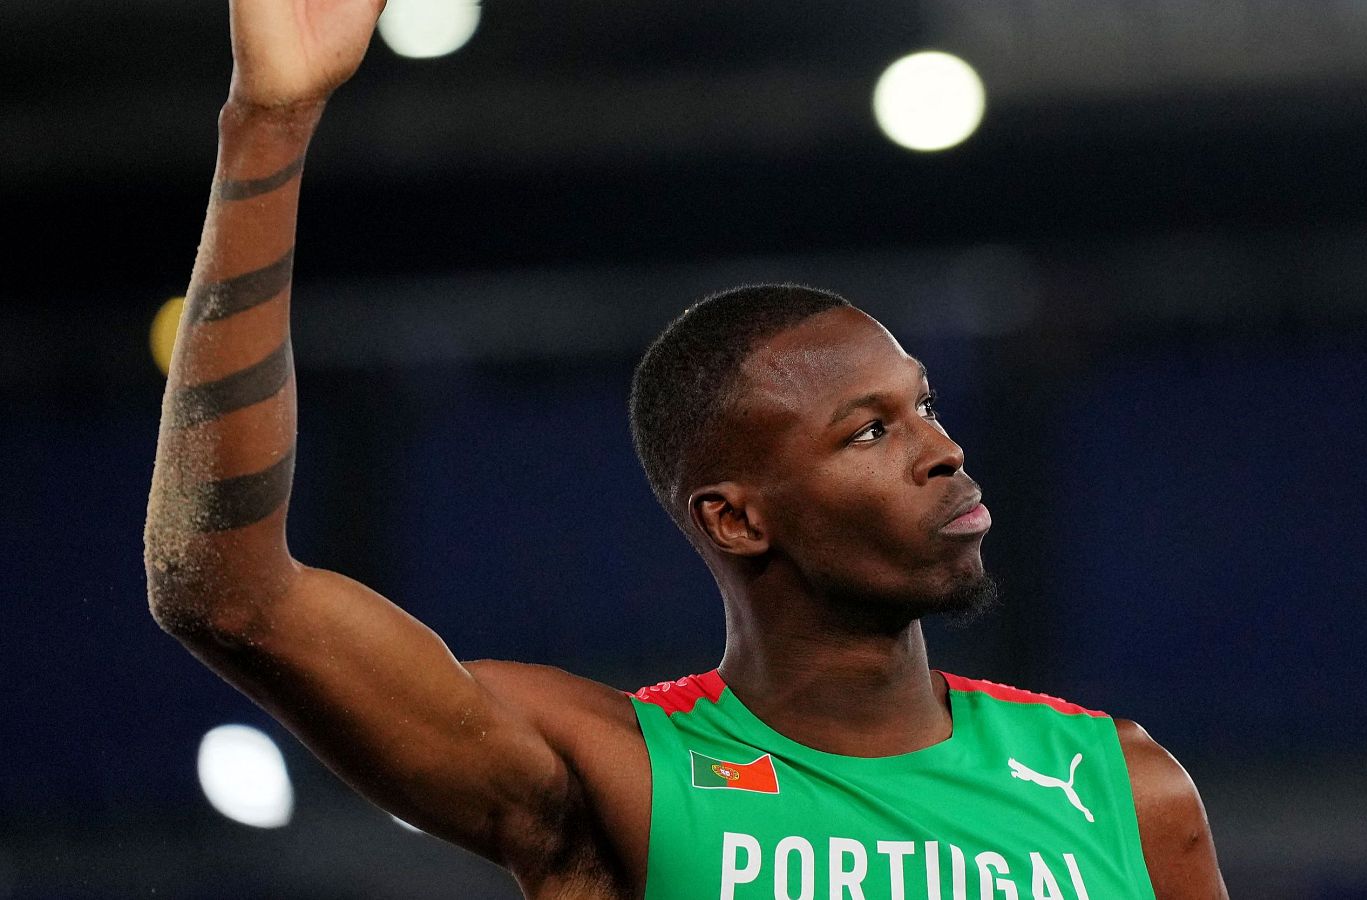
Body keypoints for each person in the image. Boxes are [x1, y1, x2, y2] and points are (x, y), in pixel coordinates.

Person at [143, 2, 1229, 897]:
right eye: (869, 430)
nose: (942, 451)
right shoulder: (615, 775)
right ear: (736, 516)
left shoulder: (1122, 791)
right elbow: (224, 595)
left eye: (926, 405)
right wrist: (269, 123)